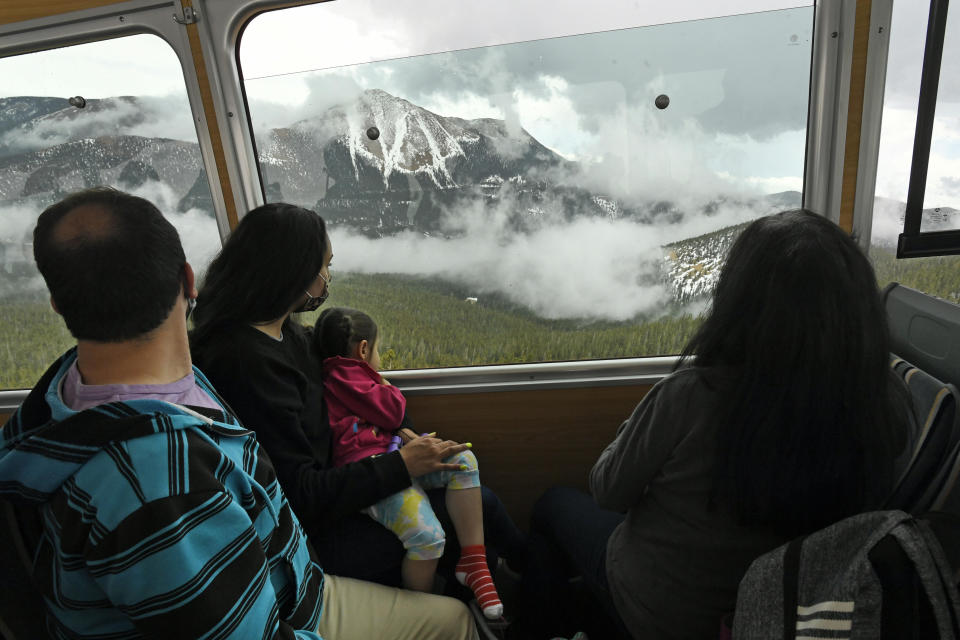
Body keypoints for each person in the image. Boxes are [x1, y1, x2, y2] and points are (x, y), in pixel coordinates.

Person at [0, 187, 478, 639]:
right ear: (188, 281)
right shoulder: (158, 483)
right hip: (289, 600)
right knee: (454, 620)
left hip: (281, 568)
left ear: (60, 304)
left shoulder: (73, 387)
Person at [515, 209, 910, 640]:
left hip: (658, 610)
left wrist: (635, 426)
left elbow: (608, 489)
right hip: (773, 615)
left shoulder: (692, 396)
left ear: (741, 303)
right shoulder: (878, 406)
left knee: (551, 506)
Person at [189, 203, 524, 594]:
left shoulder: (288, 334)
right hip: (316, 533)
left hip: (346, 484)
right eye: (324, 266)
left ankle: (520, 583)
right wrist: (400, 465)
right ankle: (531, 593)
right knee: (475, 506)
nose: (327, 278)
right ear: (293, 272)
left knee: (467, 489)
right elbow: (299, 493)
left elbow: (355, 391)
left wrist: (401, 432)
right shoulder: (245, 363)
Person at [313, 306, 503, 618]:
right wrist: (387, 386)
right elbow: (392, 411)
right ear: (363, 350)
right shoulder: (347, 377)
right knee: (428, 537)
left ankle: (474, 559)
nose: (379, 358)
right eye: (378, 350)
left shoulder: (343, 375)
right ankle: (421, 609)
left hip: (390, 456)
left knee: (464, 461)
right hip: (374, 473)